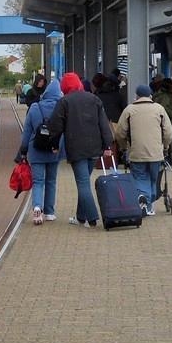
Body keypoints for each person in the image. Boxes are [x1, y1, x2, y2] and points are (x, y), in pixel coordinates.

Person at [46, 72, 113, 228]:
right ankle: (80, 217)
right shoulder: (94, 99)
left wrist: (54, 144)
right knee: (84, 182)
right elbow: (103, 124)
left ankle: (92, 218)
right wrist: (107, 146)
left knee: (83, 184)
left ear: (65, 86)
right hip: (94, 148)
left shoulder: (64, 102)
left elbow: (55, 126)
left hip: (76, 148)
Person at [115, 84, 172, 216]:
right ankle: (149, 201)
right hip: (156, 153)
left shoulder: (129, 110)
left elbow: (120, 132)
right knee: (154, 178)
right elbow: (168, 132)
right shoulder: (159, 109)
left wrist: (124, 146)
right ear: (150, 96)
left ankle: (144, 201)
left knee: (141, 178)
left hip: (136, 152)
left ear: (136, 96)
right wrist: (165, 146)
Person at [15, 78, 65, 225]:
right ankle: (49, 212)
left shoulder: (35, 107)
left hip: (36, 150)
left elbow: (26, 132)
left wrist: (23, 151)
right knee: (51, 181)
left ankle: (37, 207)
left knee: (38, 181)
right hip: (54, 150)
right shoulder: (61, 107)